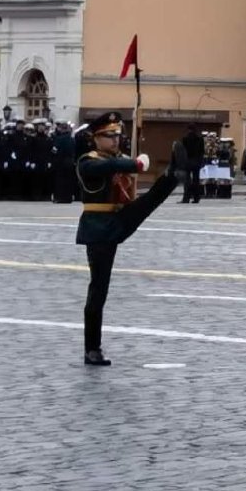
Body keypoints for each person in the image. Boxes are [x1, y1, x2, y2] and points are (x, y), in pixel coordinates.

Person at [74, 113, 179, 366]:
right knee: (99, 288)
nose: (115, 140)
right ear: (96, 138)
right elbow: (108, 168)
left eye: (118, 135)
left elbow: (120, 165)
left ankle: (173, 176)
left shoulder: (118, 159)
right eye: (109, 136)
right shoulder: (88, 161)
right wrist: (136, 165)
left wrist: (133, 162)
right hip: (98, 227)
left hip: (118, 220)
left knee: (146, 203)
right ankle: (92, 348)